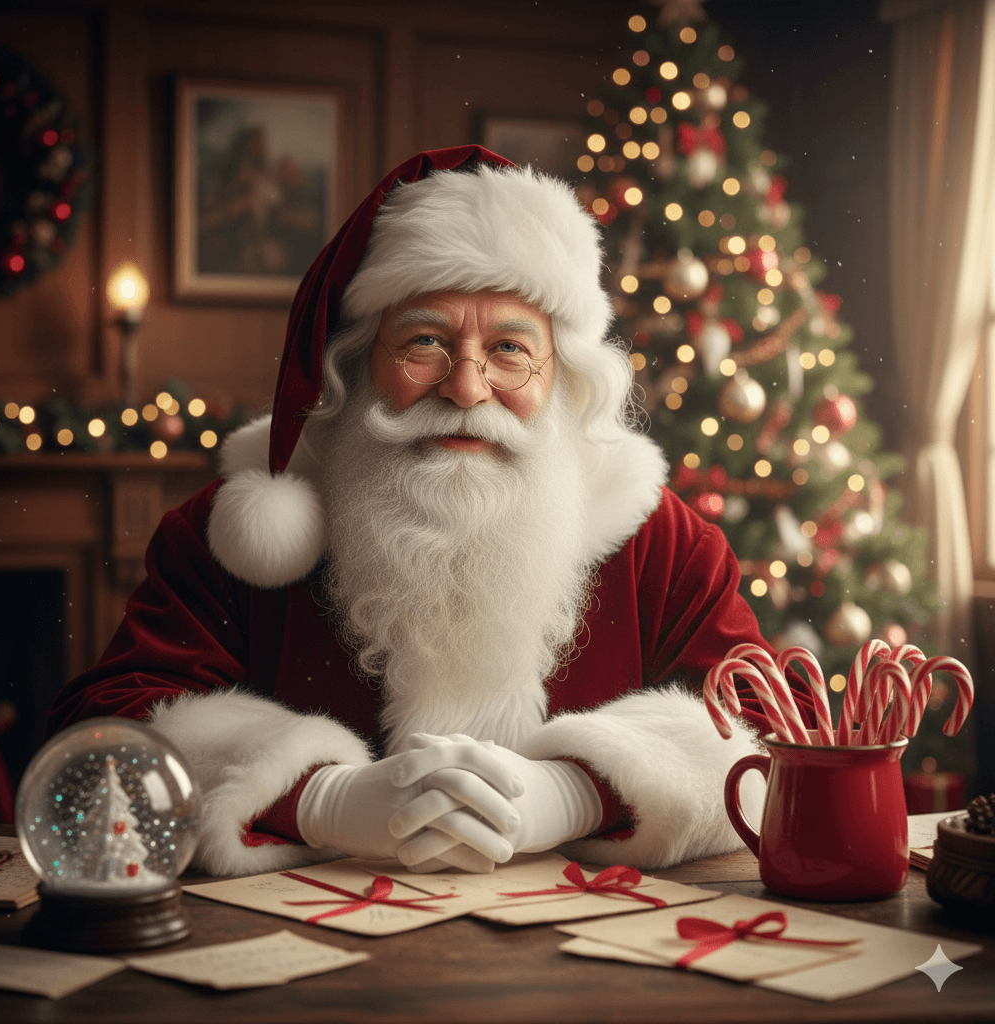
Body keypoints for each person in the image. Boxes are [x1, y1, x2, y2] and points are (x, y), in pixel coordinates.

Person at [49, 146, 814, 878]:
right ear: (354, 365)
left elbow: (783, 742)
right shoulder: (230, 535)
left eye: (511, 349)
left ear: (565, 379)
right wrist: (317, 798)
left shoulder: (662, 543)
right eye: (424, 341)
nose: (468, 388)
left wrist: (578, 792)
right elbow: (103, 740)